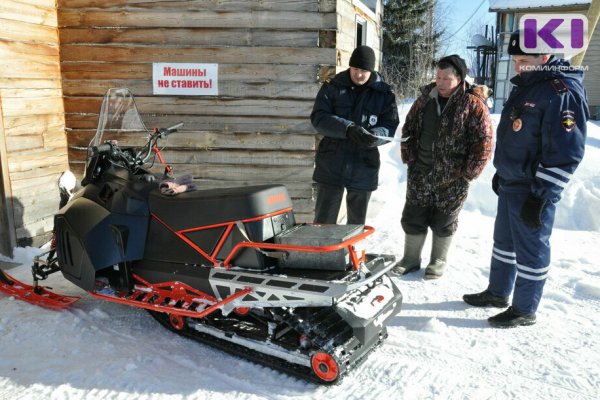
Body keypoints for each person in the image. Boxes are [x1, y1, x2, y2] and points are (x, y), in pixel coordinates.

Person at [463, 30, 589, 327]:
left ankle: (524, 309)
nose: (518, 66)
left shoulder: (561, 92)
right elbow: (518, 137)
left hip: (534, 188)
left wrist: (541, 194)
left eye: (524, 60)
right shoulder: (527, 86)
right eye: (516, 60)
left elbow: (566, 153)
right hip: (512, 182)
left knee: (531, 249)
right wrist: (502, 171)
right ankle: (498, 292)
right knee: (504, 243)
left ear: (544, 57)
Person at [393, 55, 493, 279]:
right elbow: (409, 128)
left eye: (446, 78)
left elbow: (483, 142)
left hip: (453, 177)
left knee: (444, 220)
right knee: (413, 215)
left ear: (459, 78)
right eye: (438, 77)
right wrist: (409, 157)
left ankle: (438, 261)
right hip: (421, 171)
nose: (440, 82)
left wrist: (468, 174)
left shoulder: (472, 104)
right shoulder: (425, 99)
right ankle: (410, 259)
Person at [310, 45, 399, 225]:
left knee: (356, 225)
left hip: (364, 164)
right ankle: (321, 253)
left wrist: (374, 136)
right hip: (331, 163)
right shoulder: (333, 87)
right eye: (355, 69)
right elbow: (319, 118)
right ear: (350, 67)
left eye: (364, 70)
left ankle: (353, 253)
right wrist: (347, 128)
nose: (359, 74)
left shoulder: (384, 94)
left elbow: (389, 125)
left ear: (371, 70)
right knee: (323, 222)